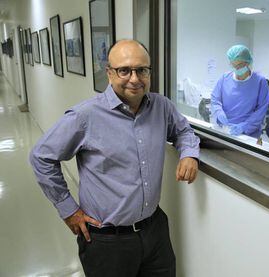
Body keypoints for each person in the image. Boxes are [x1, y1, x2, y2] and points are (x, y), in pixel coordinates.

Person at [29, 39, 200, 277]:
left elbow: (183, 131)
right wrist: (69, 210)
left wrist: (189, 154)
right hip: (107, 241)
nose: (135, 78)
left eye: (142, 70)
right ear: (109, 73)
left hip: (154, 231)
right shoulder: (85, 116)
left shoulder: (161, 106)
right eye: (124, 70)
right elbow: (41, 157)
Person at [210, 44, 269, 138]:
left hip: (249, 134)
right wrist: (218, 112)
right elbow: (215, 99)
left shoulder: (259, 81)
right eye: (233, 65)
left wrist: (245, 126)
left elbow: (262, 109)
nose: (236, 69)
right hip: (225, 130)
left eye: (240, 65)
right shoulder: (224, 79)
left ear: (248, 62)